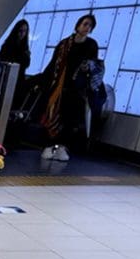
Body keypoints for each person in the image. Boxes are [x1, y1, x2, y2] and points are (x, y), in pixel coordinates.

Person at [39, 13, 99, 162]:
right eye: (85, 24)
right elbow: (54, 63)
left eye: (90, 26)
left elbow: (94, 65)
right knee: (53, 113)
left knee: (69, 119)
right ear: (78, 25)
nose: (87, 28)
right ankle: (48, 145)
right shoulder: (65, 44)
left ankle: (62, 147)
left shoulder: (91, 45)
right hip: (59, 86)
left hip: (77, 89)